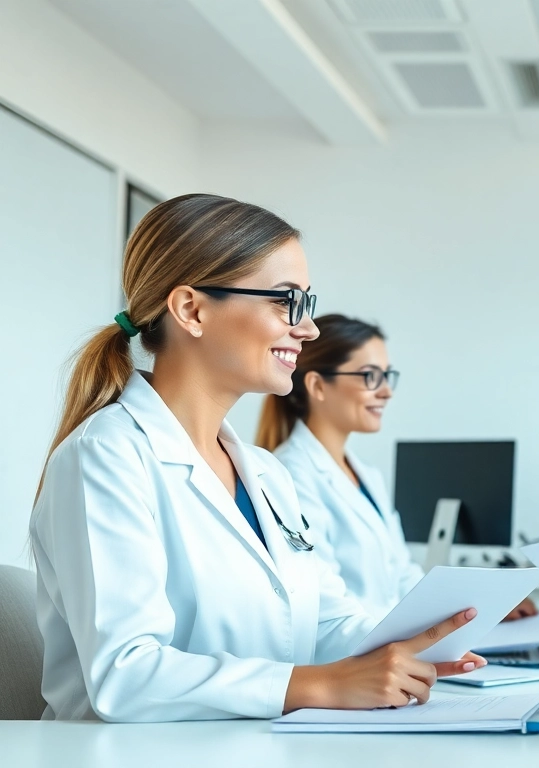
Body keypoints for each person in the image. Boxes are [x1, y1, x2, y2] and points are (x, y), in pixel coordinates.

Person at [30, 194, 484, 722]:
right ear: (191, 310)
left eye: (306, 303)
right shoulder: (105, 457)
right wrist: (319, 684)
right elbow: (126, 674)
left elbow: (319, 623)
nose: (308, 329)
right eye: (284, 301)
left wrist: (427, 639)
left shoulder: (264, 473)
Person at [259, 314, 536, 621]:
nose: (386, 392)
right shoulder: (291, 474)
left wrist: (480, 611)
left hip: (388, 646)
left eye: (387, 376)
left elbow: (403, 575)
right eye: (370, 377)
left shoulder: (366, 475)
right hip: (351, 656)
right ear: (318, 386)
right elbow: (326, 601)